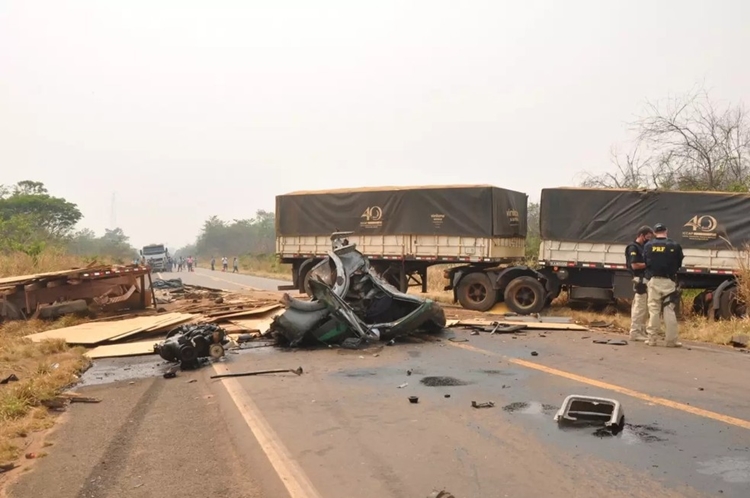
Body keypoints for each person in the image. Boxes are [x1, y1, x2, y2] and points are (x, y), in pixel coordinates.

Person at [643, 223, 684, 348]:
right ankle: (671, 341)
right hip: (668, 281)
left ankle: (652, 339)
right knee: (669, 310)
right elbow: (679, 263)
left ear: (655, 232)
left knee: (654, 310)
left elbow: (646, 262)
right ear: (666, 231)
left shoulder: (648, 245)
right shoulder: (675, 245)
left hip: (654, 280)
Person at [625, 226, 654, 341]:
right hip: (639, 280)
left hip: (644, 280)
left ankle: (641, 330)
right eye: (647, 237)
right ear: (641, 235)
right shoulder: (633, 247)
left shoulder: (642, 247)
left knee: (643, 307)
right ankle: (635, 332)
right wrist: (649, 264)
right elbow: (634, 265)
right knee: (640, 307)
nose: (649, 239)